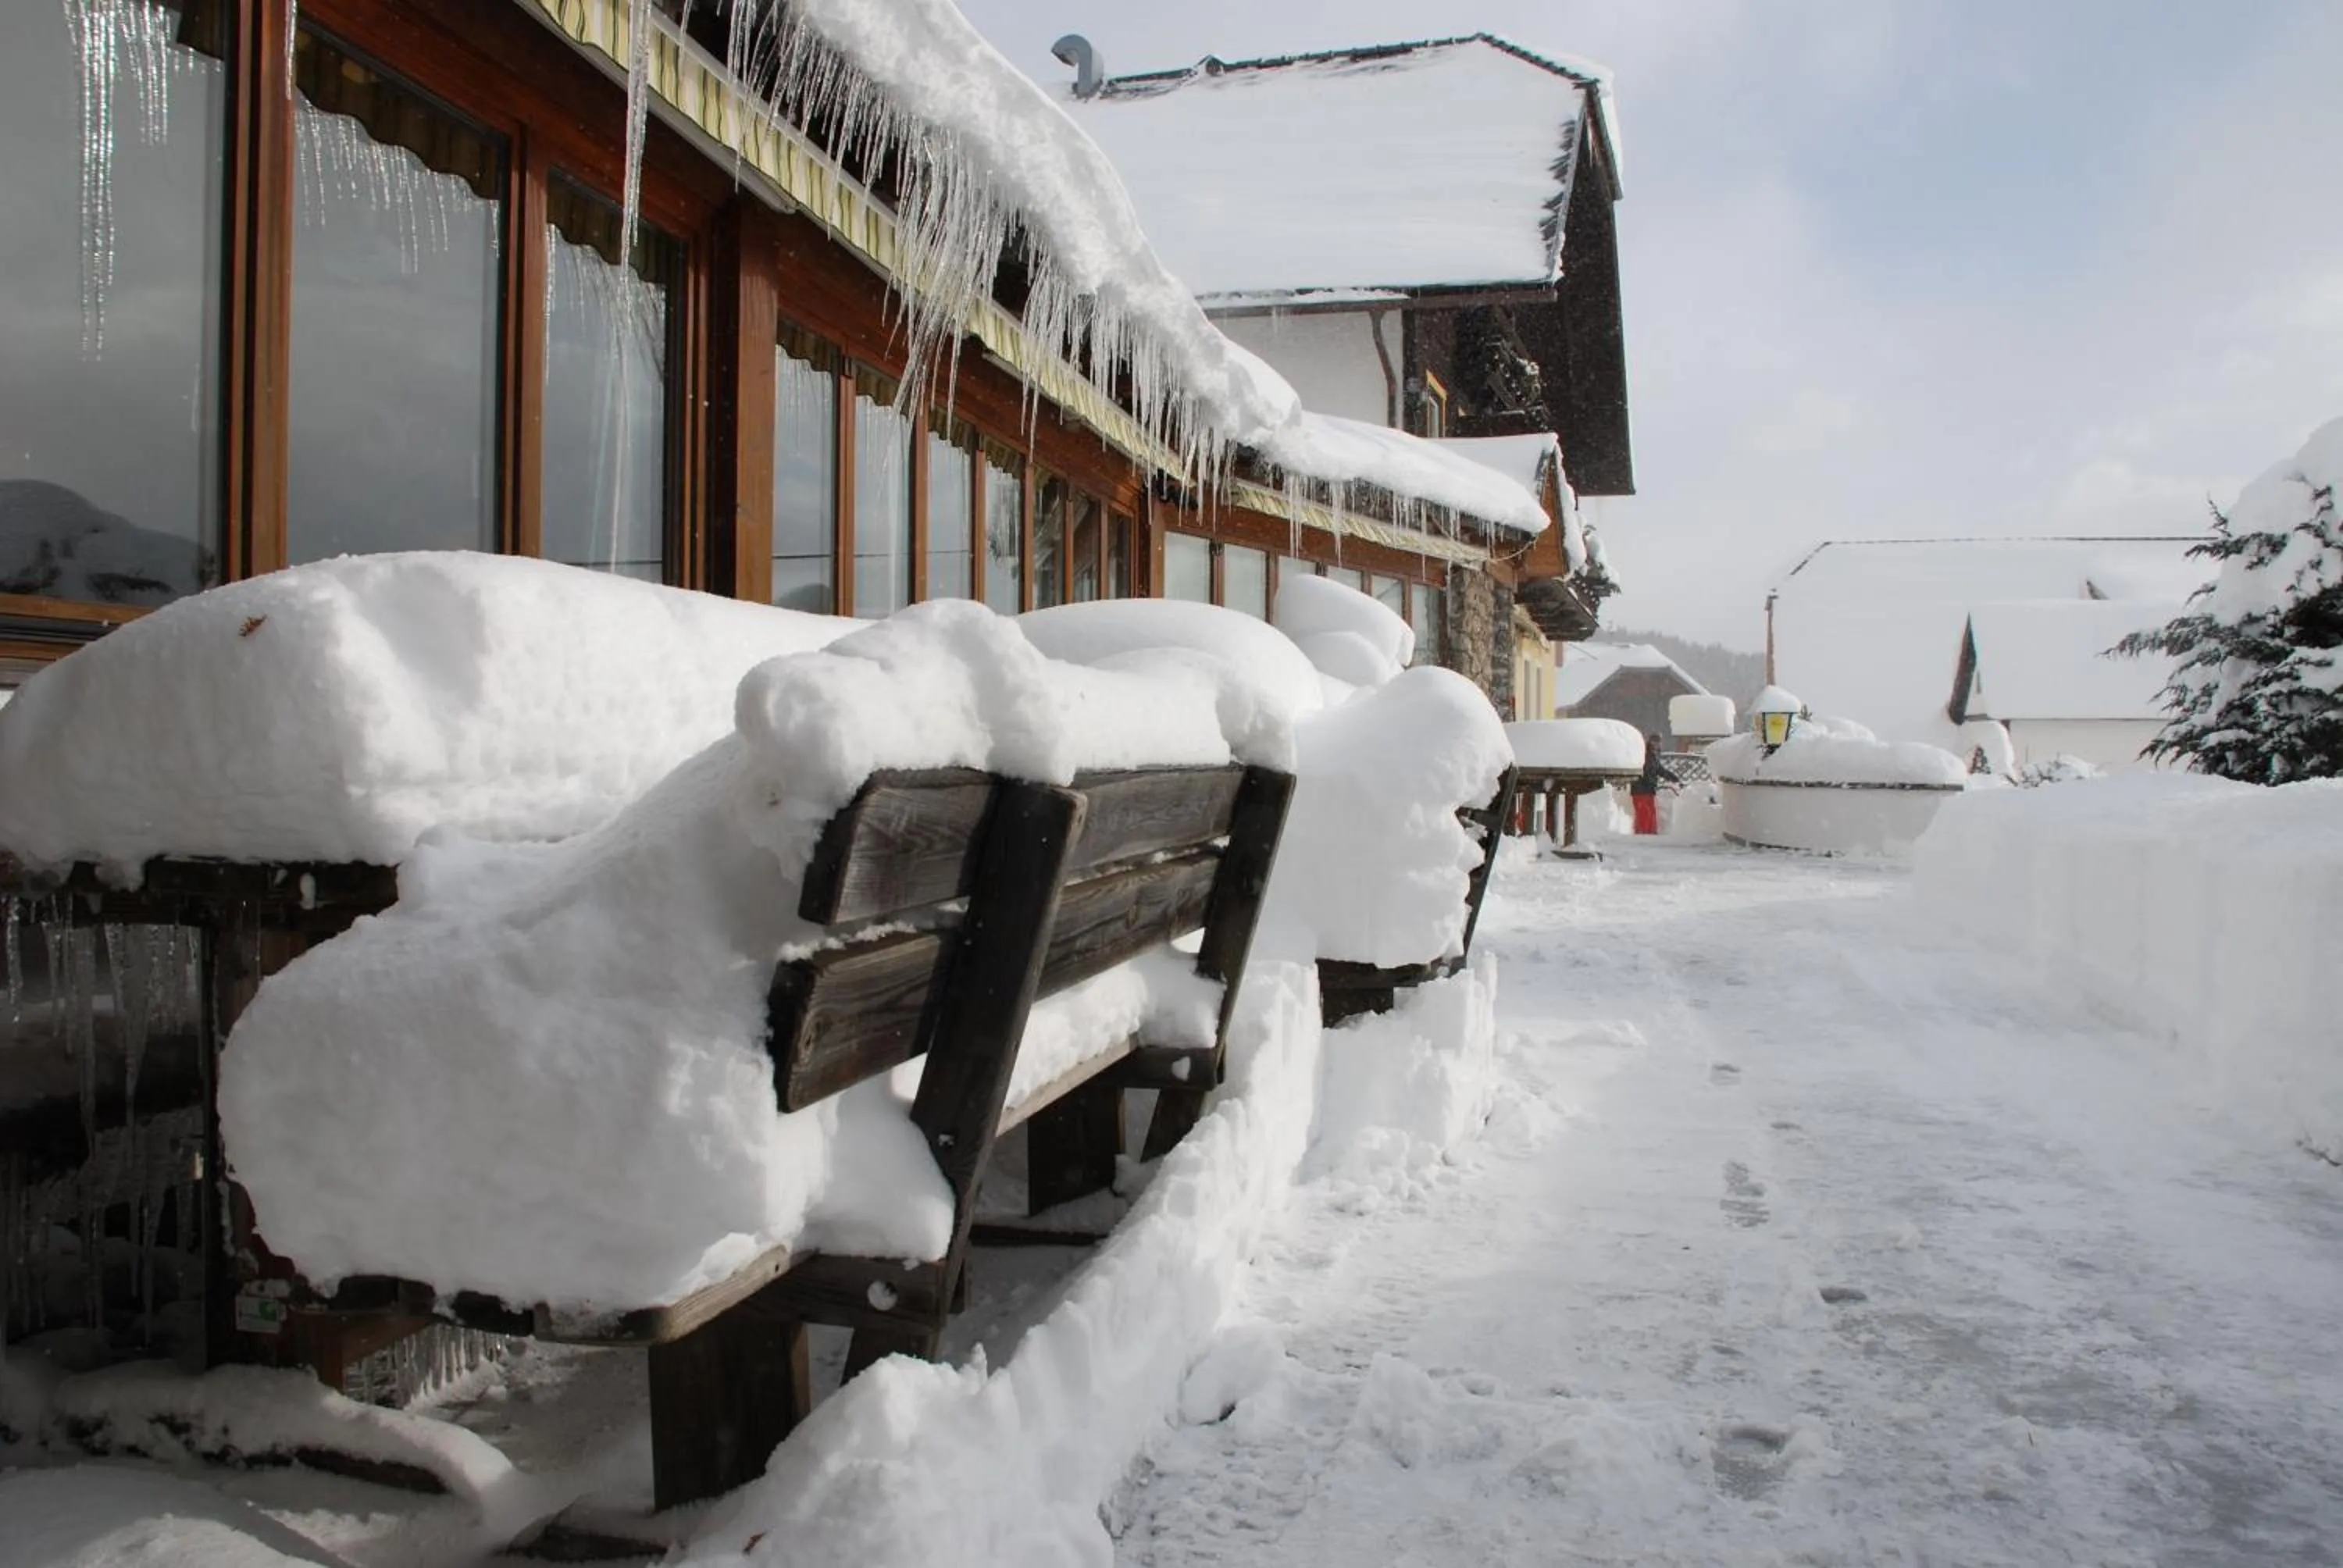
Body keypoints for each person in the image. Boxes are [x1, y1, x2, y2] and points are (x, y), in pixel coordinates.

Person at [1631, 732, 1678, 835]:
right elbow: (1644, 772)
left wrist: (1673, 778)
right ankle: (1643, 833)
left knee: (1651, 811)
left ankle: (1650, 832)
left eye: (1659, 742)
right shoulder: (1645, 755)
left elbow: (1660, 770)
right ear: (1650, 742)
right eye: (1655, 742)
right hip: (1640, 789)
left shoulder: (1653, 755)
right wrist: (1651, 782)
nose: (1657, 744)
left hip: (1648, 790)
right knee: (1644, 813)